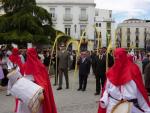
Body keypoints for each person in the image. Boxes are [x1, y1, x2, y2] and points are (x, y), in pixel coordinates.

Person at [98, 48, 150, 113]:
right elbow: (106, 90)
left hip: (129, 107)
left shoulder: (133, 69)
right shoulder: (111, 71)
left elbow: (140, 91)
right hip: (112, 106)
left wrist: (146, 109)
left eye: (120, 56)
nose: (117, 59)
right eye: (116, 56)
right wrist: (104, 100)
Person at [10, 47, 57, 113]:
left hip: (30, 93)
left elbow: (44, 82)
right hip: (32, 93)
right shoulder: (40, 66)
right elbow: (44, 82)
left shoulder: (30, 66)